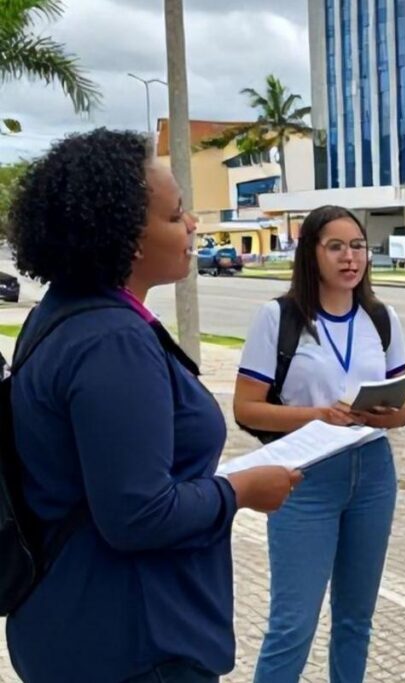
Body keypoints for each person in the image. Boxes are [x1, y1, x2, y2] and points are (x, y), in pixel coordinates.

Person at [5, 128, 298, 683]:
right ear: (128, 239)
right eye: (176, 216)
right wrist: (241, 491)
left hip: (71, 619)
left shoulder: (59, 316)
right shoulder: (111, 341)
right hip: (133, 641)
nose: (192, 226)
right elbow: (137, 515)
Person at [235, 205, 405, 683]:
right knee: (293, 623)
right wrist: (317, 414)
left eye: (357, 246)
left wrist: (391, 412)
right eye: (335, 247)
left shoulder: (382, 318)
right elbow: (246, 408)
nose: (350, 257)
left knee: (356, 620)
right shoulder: (278, 317)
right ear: (311, 254)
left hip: (373, 471)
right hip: (304, 475)